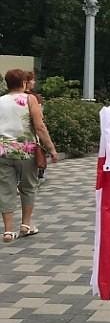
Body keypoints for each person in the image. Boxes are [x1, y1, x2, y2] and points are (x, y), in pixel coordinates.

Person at [0, 69, 58, 242]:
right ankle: (25, 225)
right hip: (26, 151)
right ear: (24, 83)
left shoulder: (1, 101)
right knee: (29, 187)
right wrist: (51, 148)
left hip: (3, 151)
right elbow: (39, 126)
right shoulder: (29, 99)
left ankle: (8, 231)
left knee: (5, 189)